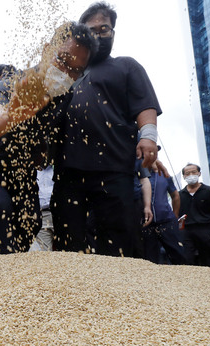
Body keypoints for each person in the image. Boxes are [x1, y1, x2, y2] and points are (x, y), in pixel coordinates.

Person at [0, 22, 96, 254]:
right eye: (63, 61)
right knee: (1, 209)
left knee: (32, 222)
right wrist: (15, 113)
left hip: (24, 171)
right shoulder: (15, 81)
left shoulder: (65, 97)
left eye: (76, 70)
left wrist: (41, 152)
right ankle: (0, 266)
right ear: (48, 50)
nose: (67, 73)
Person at [53, 2, 162, 257]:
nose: (99, 34)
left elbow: (144, 105)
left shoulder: (126, 66)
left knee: (118, 241)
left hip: (113, 168)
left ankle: (120, 293)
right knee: (69, 242)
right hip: (68, 171)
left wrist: (148, 137)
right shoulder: (66, 74)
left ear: (113, 33)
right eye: (91, 30)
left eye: (105, 29)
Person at [178, 163, 210, 267]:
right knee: (187, 258)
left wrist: (206, 220)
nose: (191, 175)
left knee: (209, 258)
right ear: (184, 176)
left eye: (194, 172)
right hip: (186, 230)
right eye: (187, 173)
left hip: (205, 228)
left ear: (199, 173)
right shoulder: (179, 194)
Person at [142, 163, 184, 264]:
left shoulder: (163, 175)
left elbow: (175, 196)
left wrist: (175, 215)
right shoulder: (137, 175)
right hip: (145, 223)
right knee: (149, 258)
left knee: (178, 254)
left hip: (167, 221)